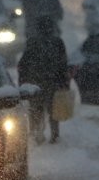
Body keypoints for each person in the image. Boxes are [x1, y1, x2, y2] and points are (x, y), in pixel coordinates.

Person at [17, 15, 69, 144]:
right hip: (53, 82)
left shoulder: (32, 42)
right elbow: (63, 65)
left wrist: (23, 81)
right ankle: (54, 135)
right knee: (53, 111)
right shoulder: (57, 42)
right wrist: (64, 83)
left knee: (36, 110)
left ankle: (36, 134)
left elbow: (23, 64)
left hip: (36, 82)